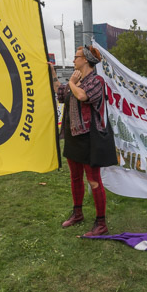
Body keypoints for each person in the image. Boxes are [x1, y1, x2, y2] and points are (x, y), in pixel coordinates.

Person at [50, 45, 117, 237]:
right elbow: (60, 91)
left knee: (94, 180)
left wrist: (72, 82)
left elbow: (81, 95)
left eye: (76, 57)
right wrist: (52, 72)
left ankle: (101, 223)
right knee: (75, 177)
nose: (73, 60)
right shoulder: (76, 81)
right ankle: (77, 214)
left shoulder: (96, 81)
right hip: (73, 136)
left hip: (90, 138)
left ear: (85, 60)